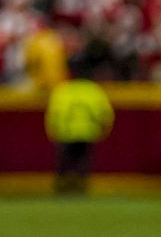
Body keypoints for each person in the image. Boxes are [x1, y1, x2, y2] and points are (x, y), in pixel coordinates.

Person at [44, 59, 115, 195]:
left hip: (66, 133)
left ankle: (62, 188)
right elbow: (106, 114)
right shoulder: (94, 90)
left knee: (64, 163)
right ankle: (81, 187)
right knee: (82, 162)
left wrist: (52, 131)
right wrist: (104, 130)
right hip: (88, 133)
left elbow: (53, 114)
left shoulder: (63, 89)